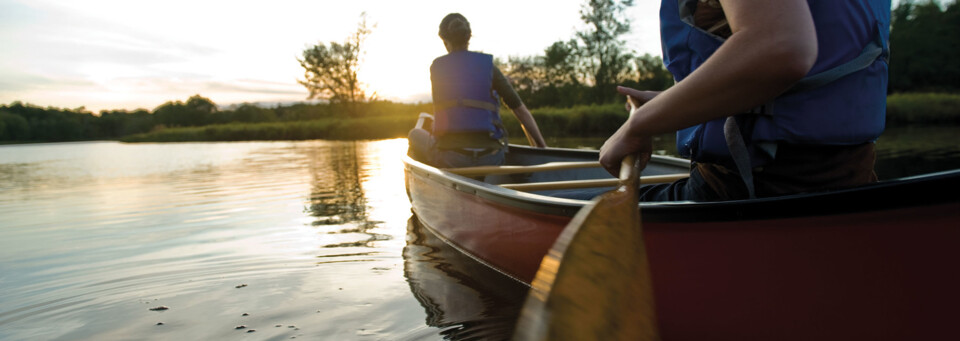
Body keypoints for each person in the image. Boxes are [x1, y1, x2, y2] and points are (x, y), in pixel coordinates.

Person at [600, 0, 890, 201]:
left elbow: (779, 47)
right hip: (851, 177)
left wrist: (636, 125)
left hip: (752, 189)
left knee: (583, 206)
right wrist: (667, 104)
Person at [408, 13, 547, 168]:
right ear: (468, 37)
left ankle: (433, 181)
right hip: (491, 158)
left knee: (414, 134)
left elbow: (454, 100)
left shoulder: (437, 68)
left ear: (445, 41)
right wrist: (542, 148)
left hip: (452, 158)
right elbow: (521, 111)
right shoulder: (489, 67)